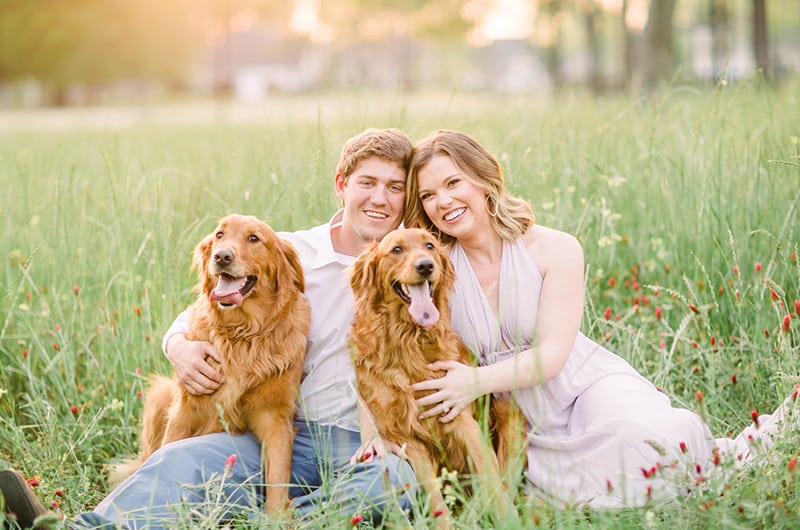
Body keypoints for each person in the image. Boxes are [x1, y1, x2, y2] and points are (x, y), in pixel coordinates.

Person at [0, 128, 418, 529]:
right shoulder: (285, 250)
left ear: (406, 196)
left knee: (395, 484)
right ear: (342, 185)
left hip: (370, 441)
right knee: (183, 459)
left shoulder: (419, 263)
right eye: (368, 182)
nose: (379, 198)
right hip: (284, 431)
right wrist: (178, 346)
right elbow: (204, 307)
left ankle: (266, 519)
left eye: (395, 187)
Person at [404, 129, 798, 508]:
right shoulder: (432, 269)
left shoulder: (554, 248)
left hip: (580, 388)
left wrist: (474, 381)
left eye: (453, 183)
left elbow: (554, 355)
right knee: (580, 490)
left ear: (483, 179)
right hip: (513, 417)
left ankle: (761, 438)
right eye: (429, 195)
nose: (443, 201)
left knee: (656, 444)